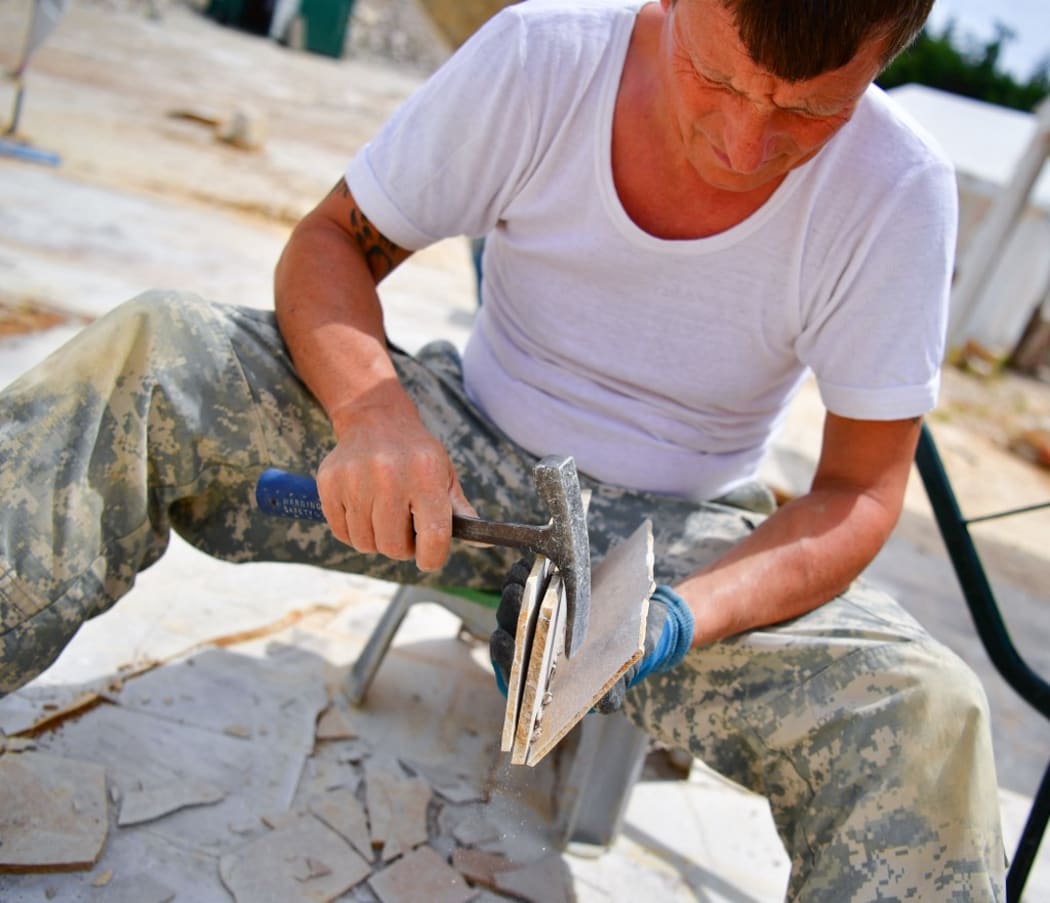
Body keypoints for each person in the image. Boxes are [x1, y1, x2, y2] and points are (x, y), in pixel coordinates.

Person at [0, 0, 1005, 897]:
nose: (744, 143)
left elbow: (860, 495)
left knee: (924, 716)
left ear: (886, 53)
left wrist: (676, 618)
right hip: (466, 452)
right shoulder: (544, 58)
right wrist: (375, 414)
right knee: (157, 352)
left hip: (679, 546)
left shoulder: (897, 187)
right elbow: (330, 244)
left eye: (807, 113)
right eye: (717, 77)